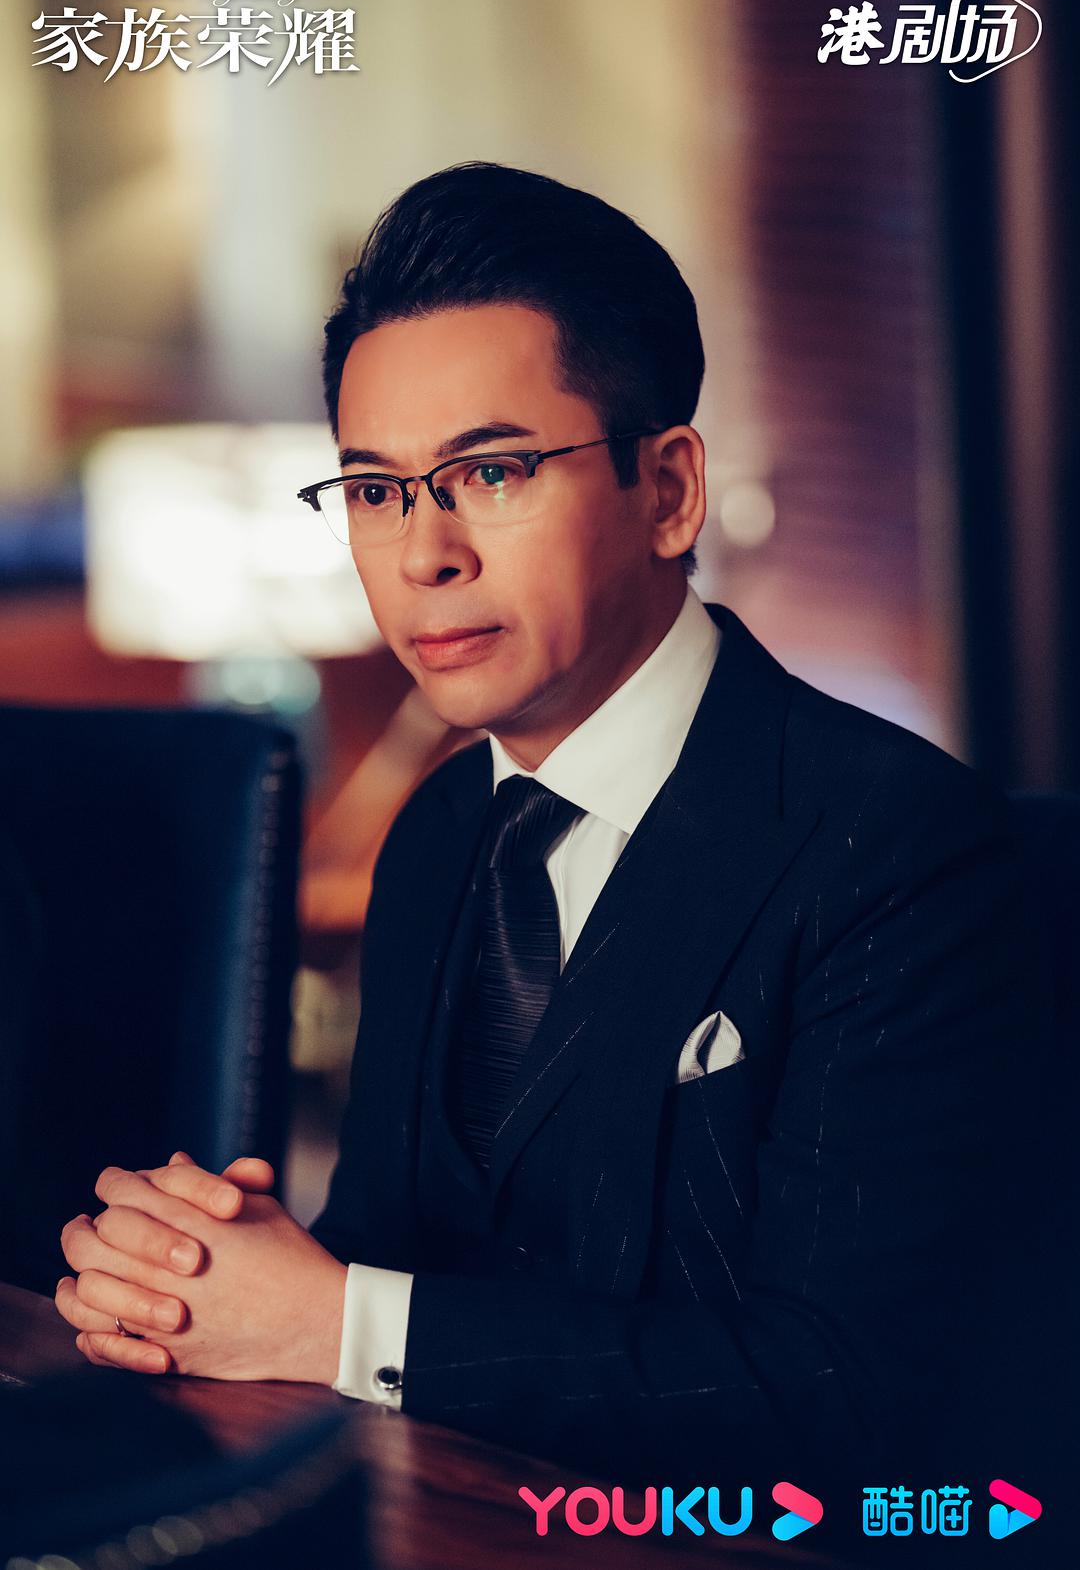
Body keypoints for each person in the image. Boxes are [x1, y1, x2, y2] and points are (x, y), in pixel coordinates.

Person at [54, 163, 1043, 1493]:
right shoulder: (437, 833)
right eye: (374, 490)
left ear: (668, 490)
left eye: (493, 470)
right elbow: (387, 1260)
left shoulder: (897, 847)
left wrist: (334, 1320)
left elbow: (841, 1395)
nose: (425, 555)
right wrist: (196, 1275)